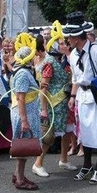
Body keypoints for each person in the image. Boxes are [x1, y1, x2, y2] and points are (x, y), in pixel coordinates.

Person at [65, 12, 97, 184]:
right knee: (85, 133)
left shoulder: (96, 51)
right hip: (83, 96)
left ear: (77, 37)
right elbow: (76, 79)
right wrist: (73, 96)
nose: (68, 40)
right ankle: (86, 166)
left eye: (70, 37)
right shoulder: (73, 54)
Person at [31, 35, 78, 178]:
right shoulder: (49, 62)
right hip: (53, 104)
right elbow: (43, 88)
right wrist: (44, 109)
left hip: (65, 103)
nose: (67, 45)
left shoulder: (62, 60)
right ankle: (38, 164)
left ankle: (64, 159)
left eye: (66, 43)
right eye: (62, 44)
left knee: (68, 131)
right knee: (49, 136)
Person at [9, 41, 41, 191]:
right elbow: (21, 97)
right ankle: (20, 179)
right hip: (24, 114)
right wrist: (24, 121)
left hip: (25, 112)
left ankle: (18, 175)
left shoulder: (19, 70)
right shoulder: (22, 73)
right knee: (24, 147)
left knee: (23, 146)